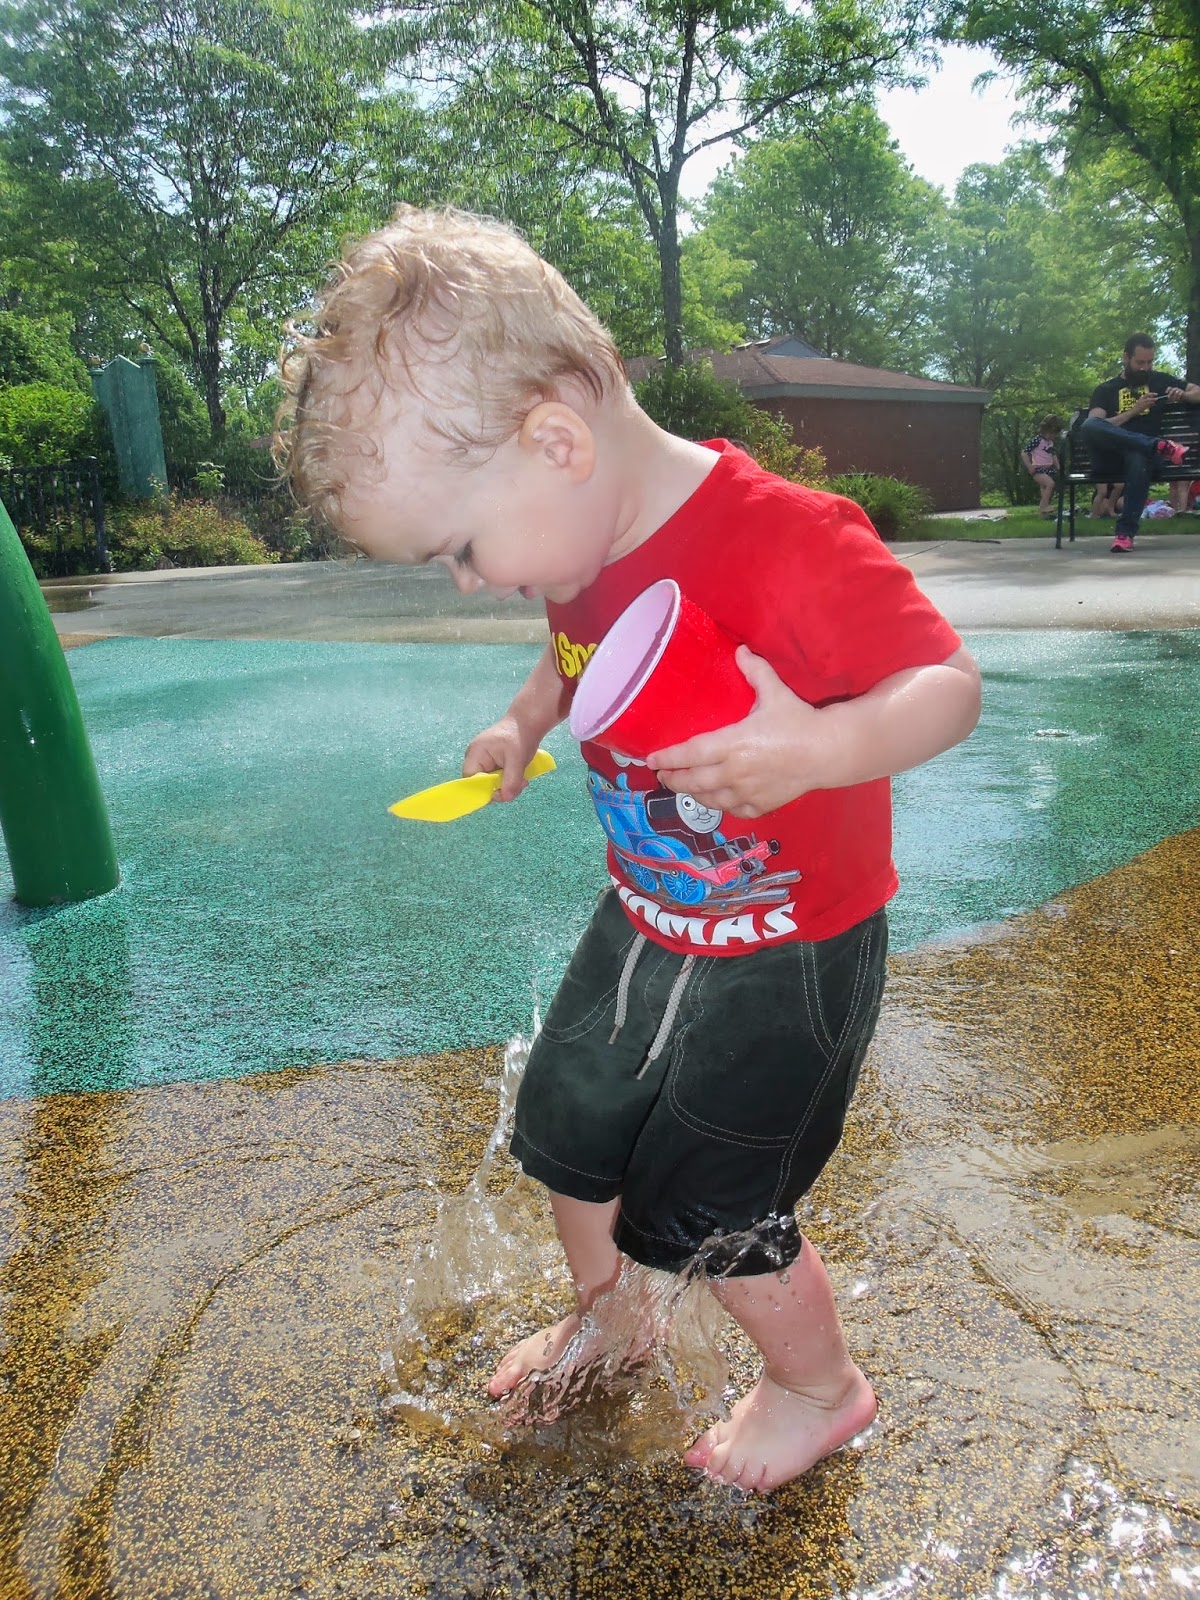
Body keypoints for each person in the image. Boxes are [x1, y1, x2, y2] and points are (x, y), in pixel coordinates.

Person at [275, 205, 982, 1494]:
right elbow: (571, 643)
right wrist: (523, 717)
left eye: (461, 547)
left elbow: (947, 687)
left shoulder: (786, 538)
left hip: (791, 937)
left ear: (557, 437)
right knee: (568, 1122)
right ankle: (612, 1310)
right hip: (653, 909)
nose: (470, 582)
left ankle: (820, 1386)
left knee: (711, 1195)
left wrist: (815, 753)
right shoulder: (575, 534)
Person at [1082, 334, 1200, 552]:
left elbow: (1198, 392)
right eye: (1140, 363)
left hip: (1143, 460)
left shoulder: (1160, 381)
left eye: (1149, 362)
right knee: (1089, 425)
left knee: (1138, 456)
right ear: (1126, 358)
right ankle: (1156, 444)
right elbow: (1095, 425)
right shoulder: (1106, 390)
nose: (1145, 368)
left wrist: (1184, 395)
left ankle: (1124, 534)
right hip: (1112, 458)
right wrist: (1133, 411)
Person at [1020, 414, 1063, 516]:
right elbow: (1024, 453)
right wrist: (1030, 466)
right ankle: (1043, 507)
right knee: (1050, 484)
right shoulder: (1037, 440)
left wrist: (1059, 467)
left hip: (1049, 469)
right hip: (1038, 470)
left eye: (1054, 434)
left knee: (1045, 489)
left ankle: (1043, 513)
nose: (1052, 436)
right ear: (1045, 430)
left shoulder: (1050, 442)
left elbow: (1053, 455)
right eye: (1051, 433)